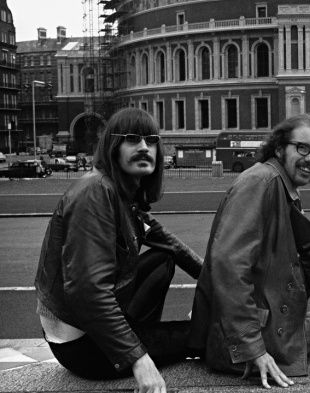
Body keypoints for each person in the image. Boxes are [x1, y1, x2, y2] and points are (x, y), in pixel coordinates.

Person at [34, 108, 203, 393]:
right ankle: (138, 338)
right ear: (113, 146)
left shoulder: (123, 193)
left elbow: (172, 245)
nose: (144, 148)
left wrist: (220, 283)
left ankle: (140, 332)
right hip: (82, 346)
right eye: (132, 139)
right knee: (200, 336)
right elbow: (87, 291)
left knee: (163, 256)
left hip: (87, 326)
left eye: (151, 141)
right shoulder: (95, 193)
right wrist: (138, 358)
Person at [189, 114, 310, 389]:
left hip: (264, 325)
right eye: (303, 148)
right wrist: (253, 349)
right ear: (279, 148)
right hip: (248, 342)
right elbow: (229, 265)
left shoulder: (279, 183)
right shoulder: (261, 183)